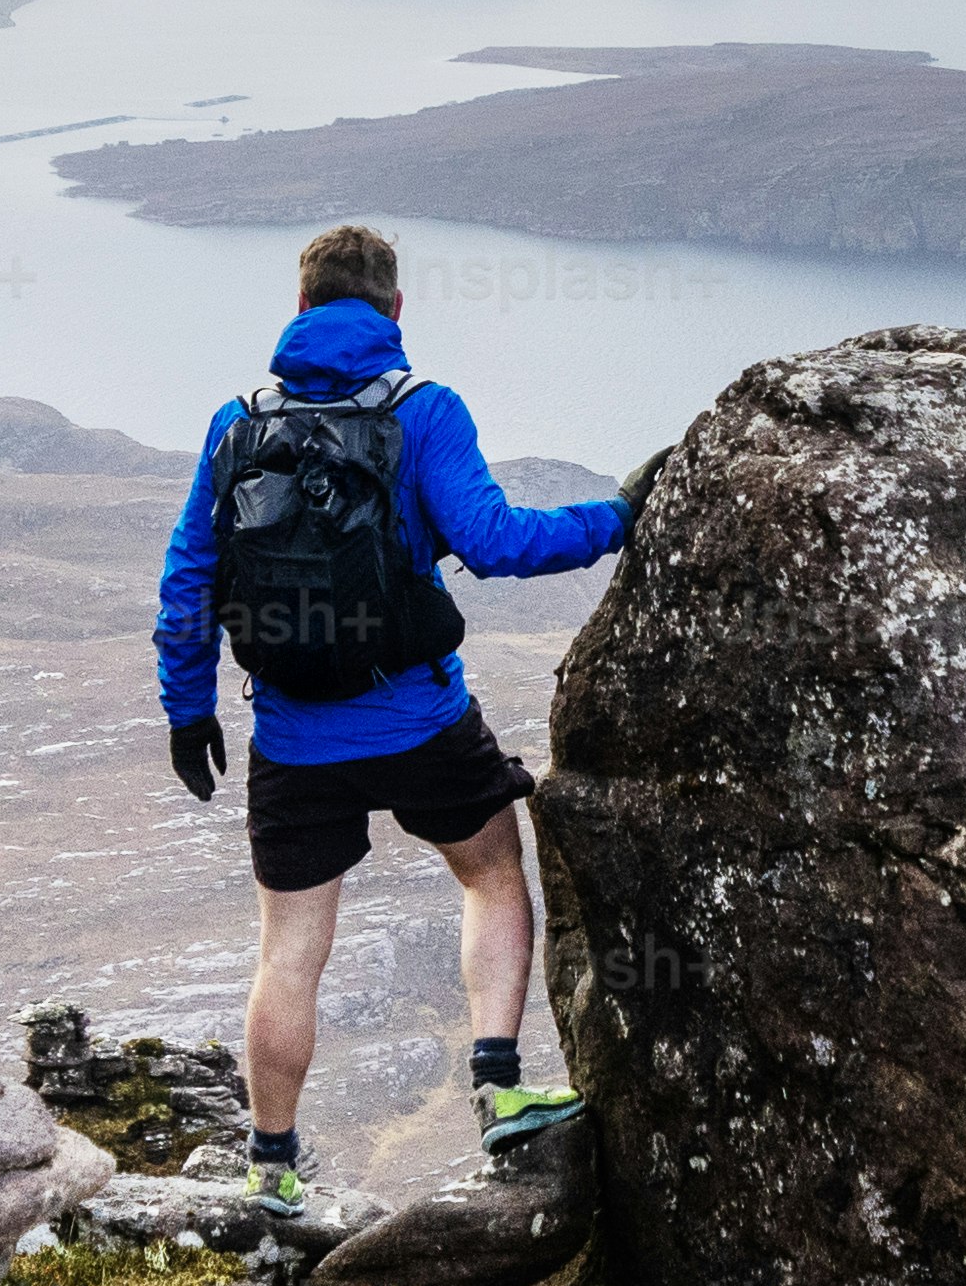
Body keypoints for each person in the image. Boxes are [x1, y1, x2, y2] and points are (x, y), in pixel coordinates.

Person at [151, 221, 631, 1210]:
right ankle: (499, 1092)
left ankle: (272, 1167)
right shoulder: (425, 410)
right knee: (492, 871)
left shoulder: (234, 425)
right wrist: (617, 519)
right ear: (394, 309)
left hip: (289, 734)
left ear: (298, 307)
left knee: (288, 952)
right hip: (417, 721)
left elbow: (188, 577)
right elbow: (494, 542)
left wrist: (185, 708)